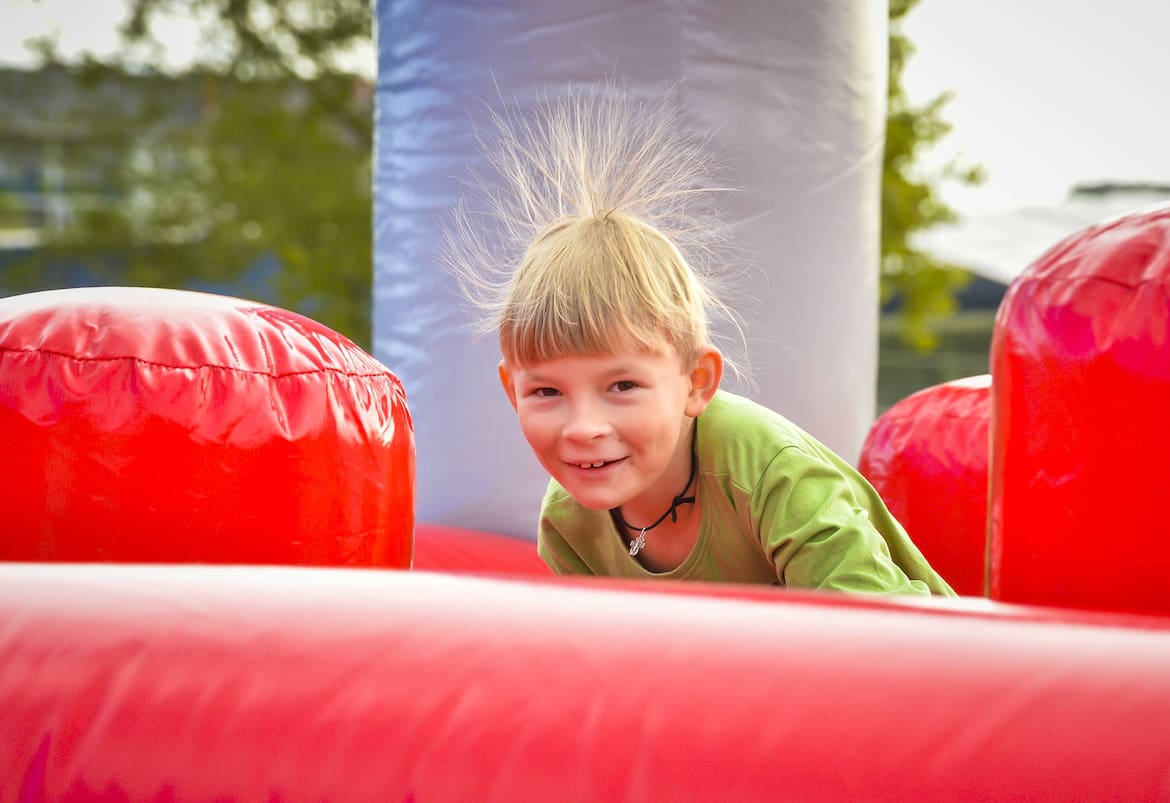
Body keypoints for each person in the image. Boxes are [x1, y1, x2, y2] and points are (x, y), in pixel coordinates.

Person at [445, 86, 955, 596]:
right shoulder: (567, 524)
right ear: (512, 391)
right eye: (546, 392)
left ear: (697, 382)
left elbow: (883, 638)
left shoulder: (772, 477)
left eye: (622, 385)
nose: (584, 429)